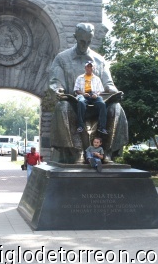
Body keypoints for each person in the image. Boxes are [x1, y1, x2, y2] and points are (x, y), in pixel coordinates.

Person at [49, 22, 128, 164]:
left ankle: (106, 152)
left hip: (96, 105)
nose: (85, 44)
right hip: (74, 105)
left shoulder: (99, 60)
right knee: (62, 107)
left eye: (88, 41)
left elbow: (108, 84)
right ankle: (76, 152)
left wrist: (114, 92)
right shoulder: (62, 59)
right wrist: (58, 90)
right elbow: (55, 81)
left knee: (116, 108)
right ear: (75, 37)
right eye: (82, 41)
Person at [74, 61, 107, 134]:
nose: (89, 68)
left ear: (93, 68)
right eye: (88, 66)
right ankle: (80, 126)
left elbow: (100, 90)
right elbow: (76, 90)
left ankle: (102, 127)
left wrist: (96, 94)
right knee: (80, 102)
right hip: (83, 94)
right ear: (85, 68)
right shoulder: (80, 77)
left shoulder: (97, 78)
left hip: (94, 94)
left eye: (91, 66)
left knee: (102, 104)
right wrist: (83, 93)